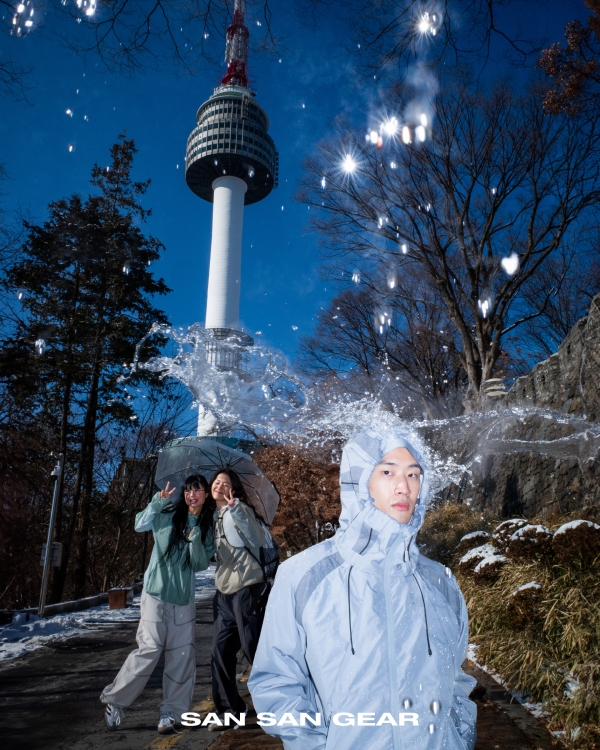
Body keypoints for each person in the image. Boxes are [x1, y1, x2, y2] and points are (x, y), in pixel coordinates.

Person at [248, 429, 477, 750]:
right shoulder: (302, 576)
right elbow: (276, 681)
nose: (404, 486)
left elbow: (456, 681)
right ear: (358, 479)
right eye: (388, 472)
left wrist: (460, 739)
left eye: (414, 474)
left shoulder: (441, 581)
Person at [100, 474, 215, 734]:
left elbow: (200, 564)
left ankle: (171, 713)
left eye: (197, 490)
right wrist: (156, 502)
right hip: (155, 593)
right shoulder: (167, 513)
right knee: (149, 649)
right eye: (188, 490)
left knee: (182, 656)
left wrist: (195, 539)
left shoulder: (207, 526)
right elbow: (139, 524)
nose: (191, 494)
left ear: (206, 494)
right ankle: (115, 701)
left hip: (183, 599)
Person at [209, 468, 270, 730]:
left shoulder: (239, 509)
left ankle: (279, 702)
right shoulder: (212, 517)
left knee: (253, 648)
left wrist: (236, 511)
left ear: (233, 489)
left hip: (247, 587)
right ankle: (231, 709)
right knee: (220, 652)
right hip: (224, 591)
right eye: (216, 482)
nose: (219, 486)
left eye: (225, 483)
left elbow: (257, 538)